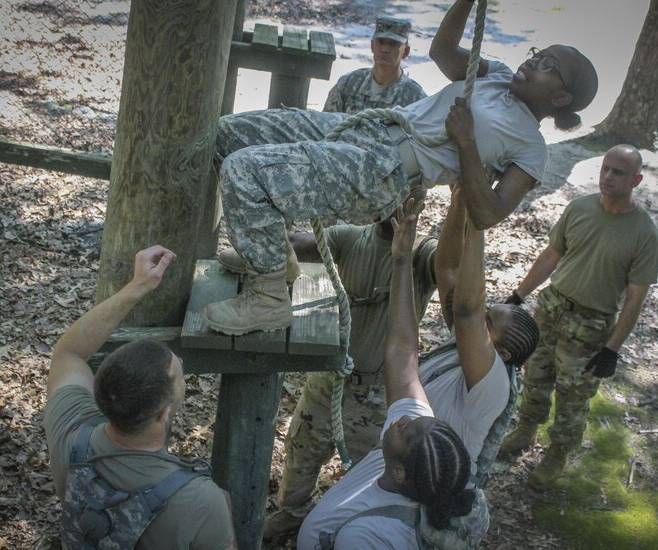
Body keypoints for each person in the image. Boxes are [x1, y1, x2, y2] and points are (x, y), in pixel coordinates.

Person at [202, 0, 599, 336]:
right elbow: (442, 53)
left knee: (245, 170)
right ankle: (273, 256)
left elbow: (488, 212)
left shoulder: (532, 150)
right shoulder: (493, 75)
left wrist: (467, 143)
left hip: (382, 172)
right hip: (368, 129)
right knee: (228, 134)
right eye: (537, 53)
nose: (533, 62)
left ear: (562, 97)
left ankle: (269, 297)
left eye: (548, 65)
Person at [298, 187, 541, 548]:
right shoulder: (423, 421)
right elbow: (402, 349)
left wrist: (480, 216)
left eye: (487, 323)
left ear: (502, 355)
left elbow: (466, 309)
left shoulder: (493, 386)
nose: (401, 420)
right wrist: (457, 201)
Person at [216, 188, 437, 540]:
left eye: (408, 193)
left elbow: (454, 268)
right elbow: (292, 243)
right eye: (390, 188)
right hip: (329, 382)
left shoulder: (424, 254)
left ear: (421, 202)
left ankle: (351, 533)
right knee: (300, 451)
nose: (396, 202)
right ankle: (292, 514)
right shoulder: (350, 238)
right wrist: (263, 217)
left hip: (380, 395)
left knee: (374, 476)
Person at [44, 246, 237, 549]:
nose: (182, 367)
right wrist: (221, 514)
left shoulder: (69, 431)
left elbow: (69, 351)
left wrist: (137, 287)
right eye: (179, 372)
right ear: (163, 415)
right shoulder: (200, 501)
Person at [497, 144, 658, 490]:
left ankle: (557, 452)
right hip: (552, 306)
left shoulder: (644, 232)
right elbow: (551, 256)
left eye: (618, 172)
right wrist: (519, 295)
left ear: (636, 179)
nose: (608, 177)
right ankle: (526, 429)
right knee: (536, 375)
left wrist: (612, 348)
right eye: (605, 169)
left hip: (592, 323)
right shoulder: (580, 208)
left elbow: (635, 298)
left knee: (573, 393)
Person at [323, 16, 426, 114]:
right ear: (372, 46)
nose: (385, 49)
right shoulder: (348, 83)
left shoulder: (415, 98)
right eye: (381, 42)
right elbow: (326, 124)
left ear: (406, 52)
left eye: (393, 44)